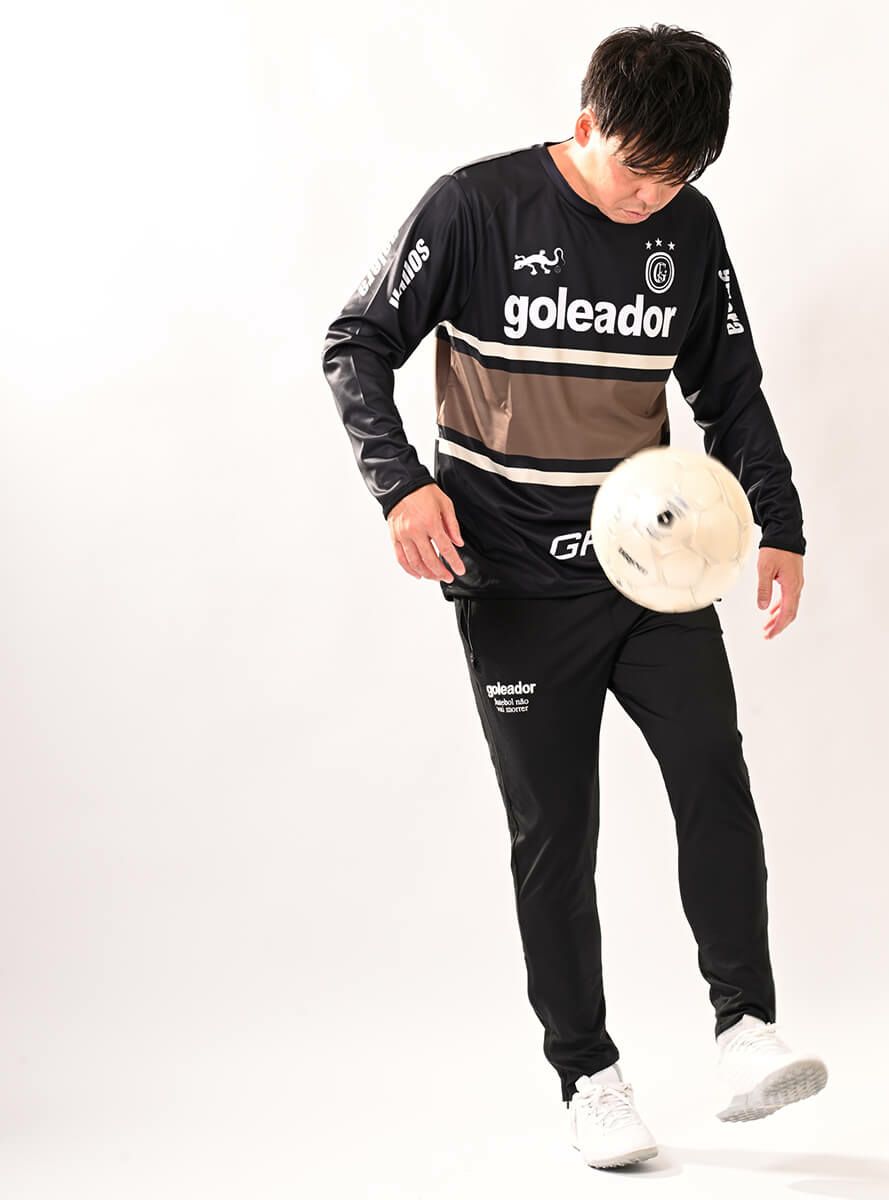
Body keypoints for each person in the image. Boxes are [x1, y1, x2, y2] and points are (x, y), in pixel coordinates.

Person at [321, 22, 828, 1170]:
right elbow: (357, 342)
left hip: (654, 568)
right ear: (587, 121)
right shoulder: (474, 209)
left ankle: (747, 1030)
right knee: (555, 831)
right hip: (510, 581)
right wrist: (400, 486)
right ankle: (589, 1077)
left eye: (679, 177)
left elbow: (729, 389)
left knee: (713, 778)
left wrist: (782, 526)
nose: (654, 197)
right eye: (640, 169)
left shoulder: (689, 229)